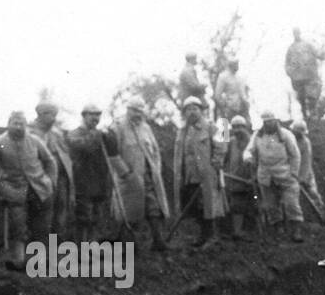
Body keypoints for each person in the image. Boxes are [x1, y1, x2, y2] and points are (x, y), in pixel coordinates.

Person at [0, 111, 56, 269]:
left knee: (41, 226)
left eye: (22, 124)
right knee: (18, 226)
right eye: (15, 123)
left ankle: (39, 260)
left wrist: (51, 181)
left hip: (40, 188)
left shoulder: (34, 141)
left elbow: (50, 161)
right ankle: (18, 259)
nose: (19, 127)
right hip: (13, 189)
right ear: (9, 124)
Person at [111, 97, 170, 251]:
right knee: (129, 211)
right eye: (135, 111)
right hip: (129, 177)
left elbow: (155, 151)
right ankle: (130, 247)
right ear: (128, 110)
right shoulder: (118, 127)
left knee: (154, 208)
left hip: (149, 175)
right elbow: (112, 154)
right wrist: (125, 173)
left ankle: (158, 241)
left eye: (140, 111)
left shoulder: (146, 128)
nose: (138, 114)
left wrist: (156, 169)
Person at [173, 96, 227, 248]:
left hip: (207, 174)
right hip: (190, 175)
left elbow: (222, 145)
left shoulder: (211, 127)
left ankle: (212, 236)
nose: (192, 112)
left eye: (195, 109)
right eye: (188, 109)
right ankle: (203, 236)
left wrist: (216, 162)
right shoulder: (181, 131)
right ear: (184, 113)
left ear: (201, 111)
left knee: (209, 205)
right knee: (196, 207)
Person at [65, 103, 122, 242]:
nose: (95, 118)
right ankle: (81, 249)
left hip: (100, 181)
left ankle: (92, 246)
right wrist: (96, 135)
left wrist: (110, 136)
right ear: (84, 116)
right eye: (92, 114)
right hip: (82, 182)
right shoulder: (74, 134)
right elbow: (84, 147)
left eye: (98, 115)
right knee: (84, 217)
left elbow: (113, 151)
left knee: (97, 217)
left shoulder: (101, 134)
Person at [245, 111, 304, 242]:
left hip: (285, 173)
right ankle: (278, 229)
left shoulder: (286, 135)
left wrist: (294, 172)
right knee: (271, 205)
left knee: (292, 204)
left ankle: (296, 231)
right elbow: (249, 150)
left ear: (276, 121)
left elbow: (295, 155)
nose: (269, 124)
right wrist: (248, 157)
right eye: (266, 122)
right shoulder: (258, 135)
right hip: (266, 175)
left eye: (271, 121)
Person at [29, 102, 75, 240]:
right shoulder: (30, 133)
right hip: (42, 180)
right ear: (41, 114)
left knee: (61, 213)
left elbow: (65, 154)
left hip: (61, 179)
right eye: (50, 114)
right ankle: (40, 250)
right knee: (43, 216)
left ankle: (58, 247)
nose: (54, 118)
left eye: (55, 115)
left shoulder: (56, 132)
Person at [291, 119, 325, 226]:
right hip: (291, 172)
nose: (298, 134)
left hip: (305, 172)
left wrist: (302, 178)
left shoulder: (305, 142)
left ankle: (322, 215)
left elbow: (306, 161)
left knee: (313, 194)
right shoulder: (289, 140)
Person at [222, 116, 258, 239]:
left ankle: (255, 232)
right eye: (235, 127)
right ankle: (237, 232)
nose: (238, 130)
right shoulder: (231, 142)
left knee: (255, 206)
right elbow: (223, 156)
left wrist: (254, 176)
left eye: (240, 127)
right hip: (235, 180)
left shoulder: (253, 141)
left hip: (252, 180)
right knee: (237, 206)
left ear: (245, 127)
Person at [285, 27, 325, 121]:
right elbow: (287, 62)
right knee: (301, 98)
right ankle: (305, 116)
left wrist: (323, 53)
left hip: (310, 75)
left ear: (300, 33)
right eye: (295, 33)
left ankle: (313, 115)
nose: (297, 35)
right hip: (297, 77)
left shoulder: (308, 45)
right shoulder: (291, 48)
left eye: (298, 33)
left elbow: (318, 54)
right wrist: (290, 72)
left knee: (312, 96)